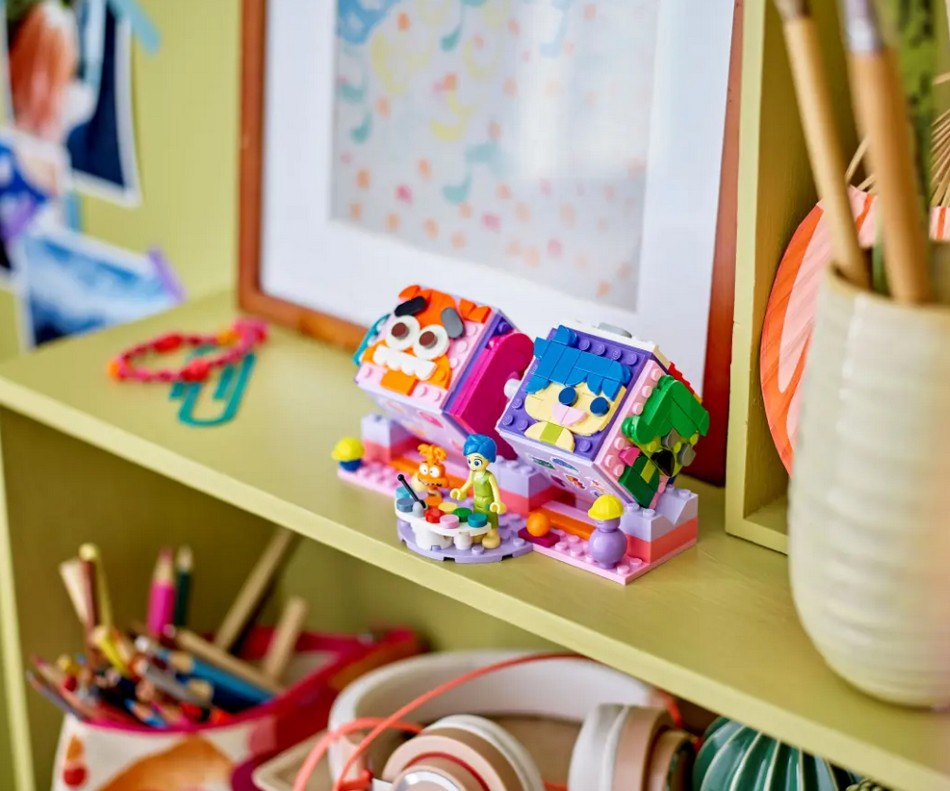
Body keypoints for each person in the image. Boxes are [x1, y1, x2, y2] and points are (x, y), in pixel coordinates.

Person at [451, 434, 506, 550]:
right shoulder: (473, 473)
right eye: (469, 461)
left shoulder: (489, 476)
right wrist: (461, 491)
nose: (472, 465)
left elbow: (495, 489)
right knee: (478, 516)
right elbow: (468, 483)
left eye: (476, 462)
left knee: (490, 517)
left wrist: (497, 502)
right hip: (477, 500)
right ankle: (480, 531)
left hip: (488, 502)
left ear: (489, 459)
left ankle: (492, 533)